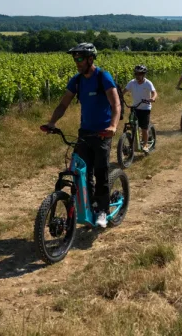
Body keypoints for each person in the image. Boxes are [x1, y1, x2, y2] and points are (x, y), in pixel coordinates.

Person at [45, 43, 121, 228]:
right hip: (85, 132)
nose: (76, 62)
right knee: (81, 172)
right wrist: (52, 122)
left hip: (103, 132)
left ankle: (102, 210)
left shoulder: (103, 77)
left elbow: (116, 105)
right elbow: (63, 104)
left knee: (100, 172)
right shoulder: (77, 81)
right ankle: (89, 206)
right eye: (74, 58)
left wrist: (113, 126)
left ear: (90, 59)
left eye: (79, 58)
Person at [123, 65, 157, 153]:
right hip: (135, 108)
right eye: (136, 74)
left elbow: (154, 92)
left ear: (143, 74)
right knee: (132, 125)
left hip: (145, 108)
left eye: (140, 74)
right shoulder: (132, 82)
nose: (137, 76)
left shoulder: (148, 83)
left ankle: (145, 144)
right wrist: (118, 97)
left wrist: (153, 98)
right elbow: (124, 91)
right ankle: (132, 142)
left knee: (144, 128)